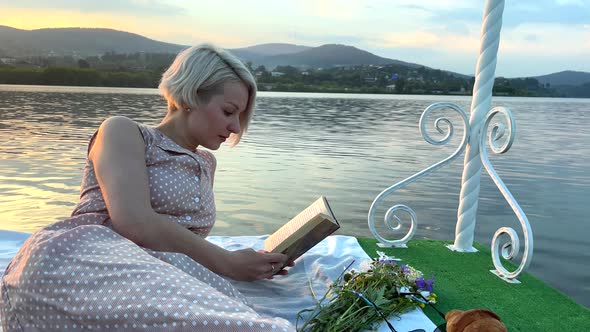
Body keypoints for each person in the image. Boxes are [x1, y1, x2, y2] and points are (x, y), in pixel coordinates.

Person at [0, 44, 295, 331]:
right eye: (229, 111)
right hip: (84, 259)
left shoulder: (206, 163)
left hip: (154, 271)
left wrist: (251, 262)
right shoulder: (125, 132)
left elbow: (185, 239)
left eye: (240, 116)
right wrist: (229, 262)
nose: (235, 127)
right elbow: (134, 221)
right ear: (190, 96)